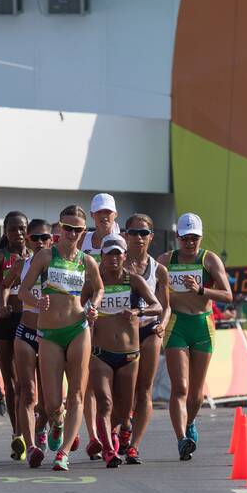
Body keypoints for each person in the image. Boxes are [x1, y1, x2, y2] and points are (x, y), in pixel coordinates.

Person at [19, 205, 102, 471]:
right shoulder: (45, 256)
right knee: (52, 402)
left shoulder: (87, 261)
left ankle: (63, 453)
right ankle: (57, 421)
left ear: (83, 231)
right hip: (50, 334)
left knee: (77, 393)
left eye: (78, 230)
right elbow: (22, 290)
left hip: (78, 328)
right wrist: (35, 299)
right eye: (67, 229)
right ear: (59, 228)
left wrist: (94, 306)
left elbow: (99, 288)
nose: (72, 234)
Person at [156, 212, 232, 460]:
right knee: (180, 386)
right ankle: (181, 440)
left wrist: (200, 289)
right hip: (176, 323)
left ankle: (190, 423)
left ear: (200, 238)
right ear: (177, 237)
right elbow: (154, 293)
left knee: (196, 392)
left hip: (201, 323)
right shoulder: (166, 260)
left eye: (194, 238)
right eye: (185, 238)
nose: (190, 243)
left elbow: (228, 295)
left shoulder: (209, 260)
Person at [89, 234, 160, 468]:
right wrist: (88, 313)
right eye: (109, 253)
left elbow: (157, 306)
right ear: (102, 256)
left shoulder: (134, 281)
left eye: (118, 253)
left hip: (129, 355)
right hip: (100, 353)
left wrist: (138, 312)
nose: (113, 257)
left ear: (124, 256)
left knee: (122, 410)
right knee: (105, 403)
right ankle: (109, 450)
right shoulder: (93, 281)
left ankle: (116, 433)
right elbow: (77, 306)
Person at [0, 219, 53, 467]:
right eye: (35, 238)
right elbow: (6, 284)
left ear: (52, 240)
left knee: (49, 400)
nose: (40, 242)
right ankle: (30, 445)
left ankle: (44, 427)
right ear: (28, 241)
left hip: (52, 336)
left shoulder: (62, 266)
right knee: (27, 391)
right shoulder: (23, 264)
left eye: (45, 238)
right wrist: (3, 303)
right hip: (26, 332)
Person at [121, 213, 170, 465]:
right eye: (134, 233)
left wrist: (162, 324)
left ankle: (134, 446)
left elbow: (166, 306)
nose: (139, 238)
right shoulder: (115, 263)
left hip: (149, 330)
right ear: (125, 235)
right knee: (124, 392)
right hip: (121, 334)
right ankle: (124, 424)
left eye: (144, 233)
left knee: (145, 390)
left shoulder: (158, 269)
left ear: (151, 237)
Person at [0, 211, 30, 461]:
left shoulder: (36, 256)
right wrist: (5, 286)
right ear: (6, 232)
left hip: (29, 321)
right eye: (13, 229)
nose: (18, 233)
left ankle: (34, 429)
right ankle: (17, 435)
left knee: (29, 382)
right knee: (11, 383)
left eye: (22, 228)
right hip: (4, 321)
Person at [80, 192, 118, 459]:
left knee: (117, 382)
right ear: (92, 216)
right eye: (99, 213)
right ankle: (94, 435)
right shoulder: (82, 241)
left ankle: (114, 431)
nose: (104, 216)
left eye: (108, 212)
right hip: (87, 315)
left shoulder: (123, 240)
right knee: (91, 380)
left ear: (115, 215)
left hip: (116, 316)